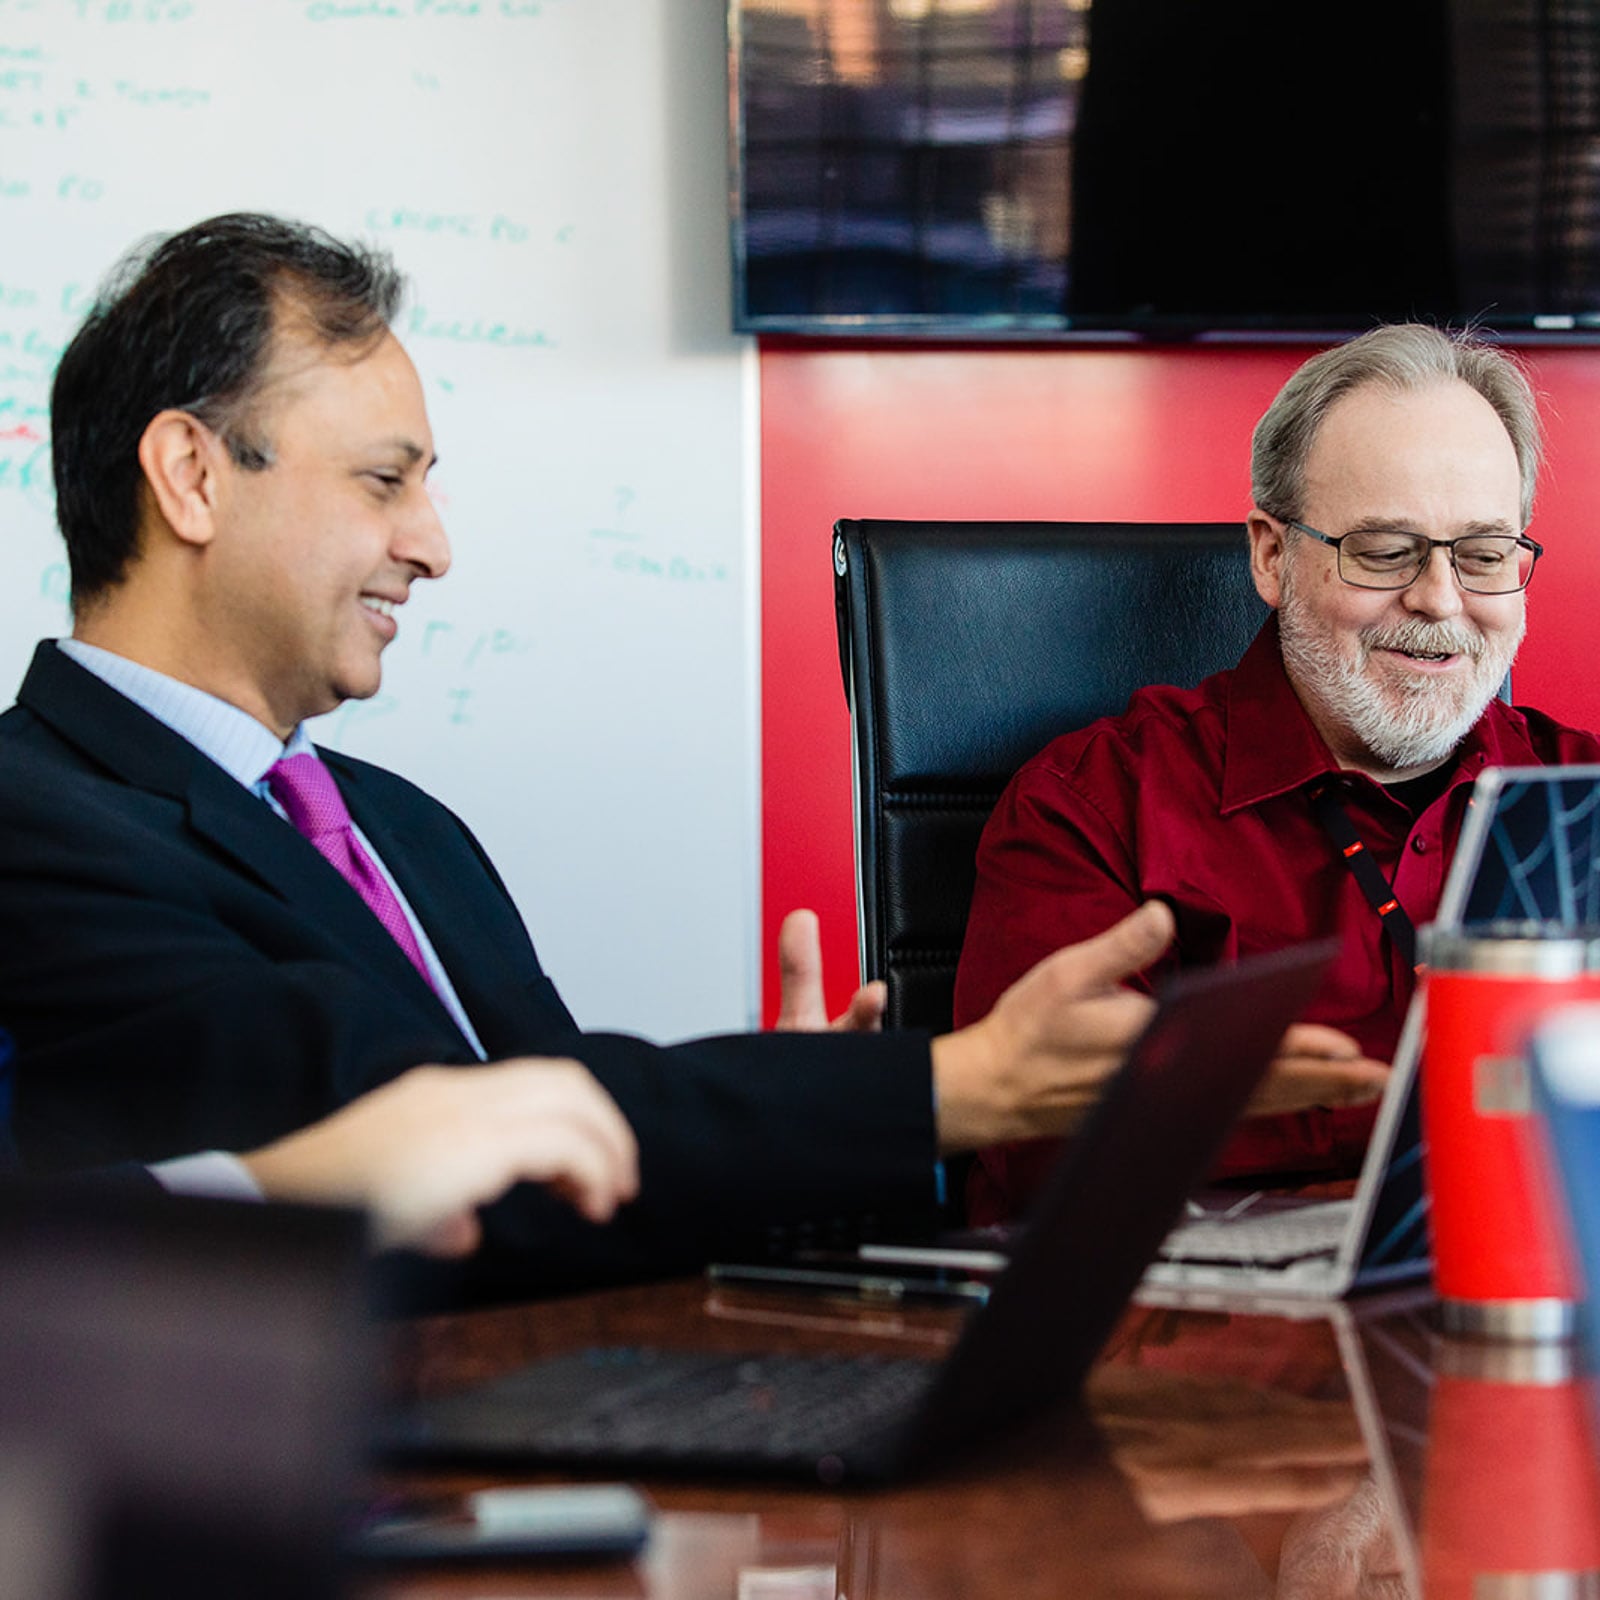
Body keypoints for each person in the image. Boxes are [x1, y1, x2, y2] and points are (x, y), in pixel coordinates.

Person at [2, 212, 1267, 1298]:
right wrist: (944, 1086)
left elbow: (570, 1174)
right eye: (385, 482)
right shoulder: (33, 820)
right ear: (190, 476)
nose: (433, 546)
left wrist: (801, 1121)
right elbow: (439, 1131)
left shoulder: (407, 828)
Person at [956, 322, 1600, 1222]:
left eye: (1485, 554)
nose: (1441, 599)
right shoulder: (1093, 809)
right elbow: (1055, 1175)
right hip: (1197, 1340)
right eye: (1384, 549)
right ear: (1271, 554)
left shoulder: (1584, 798)